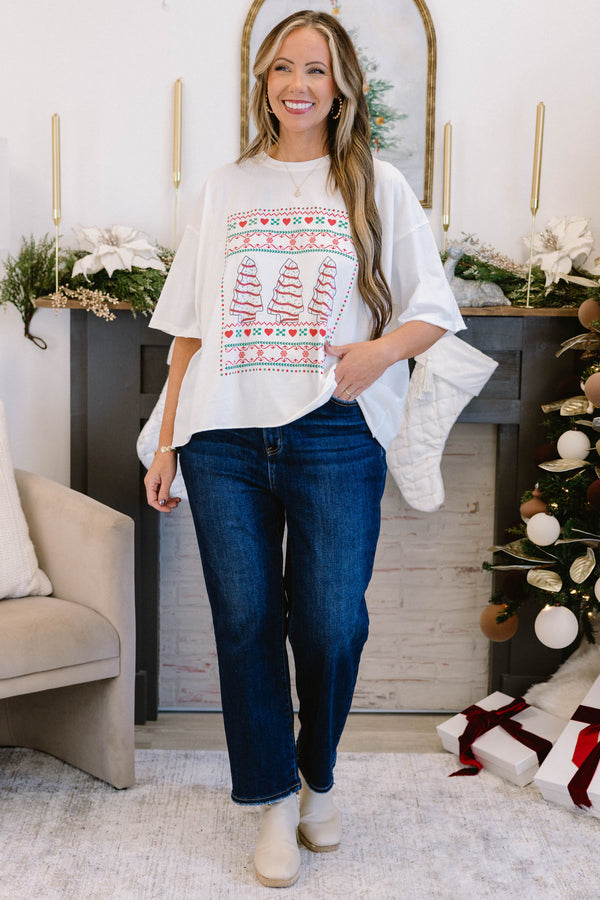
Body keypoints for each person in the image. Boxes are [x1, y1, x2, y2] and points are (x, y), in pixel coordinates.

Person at [145, 9, 464, 889]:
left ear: (342, 85)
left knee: (330, 622)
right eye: (282, 68)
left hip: (332, 432)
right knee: (245, 623)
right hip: (224, 437)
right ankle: (274, 801)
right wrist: (168, 441)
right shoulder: (225, 187)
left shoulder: (376, 186)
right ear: (263, 83)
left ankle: (319, 773)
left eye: (315, 70)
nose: (297, 84)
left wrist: (373, 354)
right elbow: (188, 328)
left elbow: (432, 309)